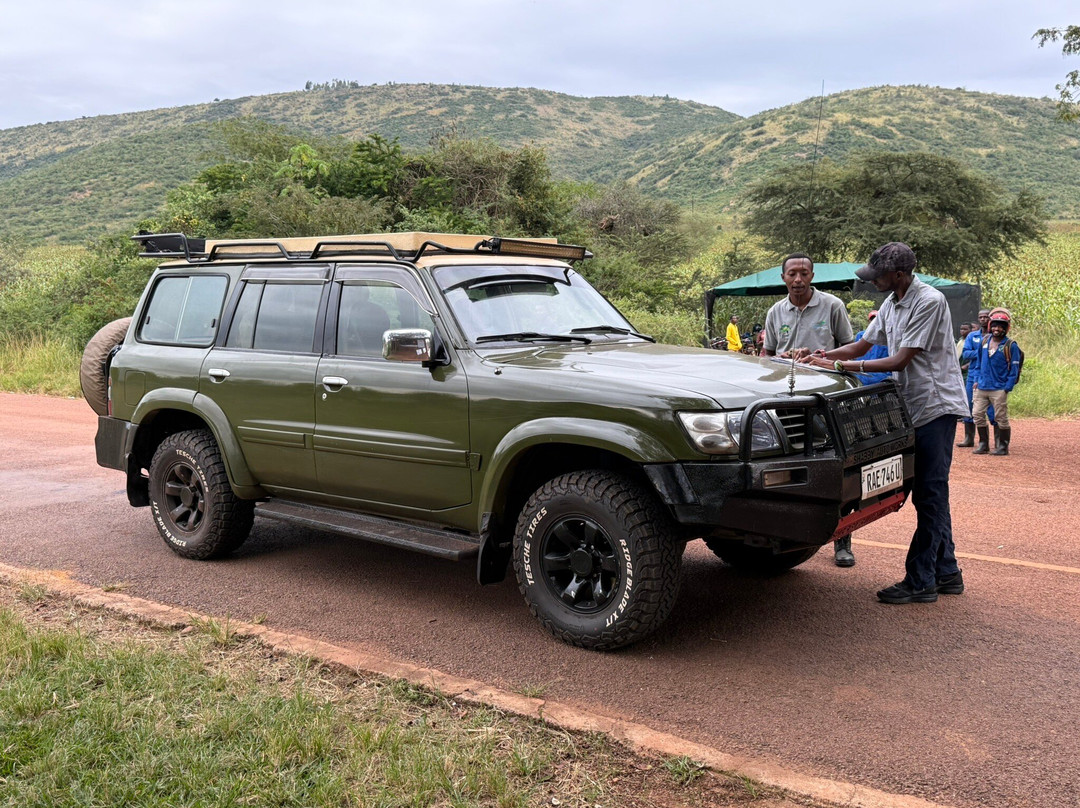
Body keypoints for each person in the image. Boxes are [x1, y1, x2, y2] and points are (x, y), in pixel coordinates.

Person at [800, 242, 969, 604]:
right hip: (913, 406)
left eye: (878, 275)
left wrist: (841, 367)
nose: (872, 281)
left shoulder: (929, 301)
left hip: (935, 406)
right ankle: (947, 571)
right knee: (931, 492)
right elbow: (861, 346)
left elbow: (900, 361)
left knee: (930, 494)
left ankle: (921, 580)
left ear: (899, 274)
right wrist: (820, 356)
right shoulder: (892, 303)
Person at [764, 252, 857, 566]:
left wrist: (822, 355)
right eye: (792, 274)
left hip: (825, 403)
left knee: (836, 466)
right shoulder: (776, 312)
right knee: (791, 469)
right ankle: (788, 535)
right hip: (787, 403)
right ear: (783, 278)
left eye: (804, 273)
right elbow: (766, 355)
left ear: (813, 276)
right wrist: (782, 357)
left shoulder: (832, 306)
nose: (798, 279)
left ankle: (843, 541)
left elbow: (849, 348)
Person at [970, 308, 1021, 456]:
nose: (996, 329)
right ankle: (983, 444)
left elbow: (1014, 369)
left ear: (1006, 328)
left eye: (1000, 326)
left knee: (1000, 418)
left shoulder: (1011, 346)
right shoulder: (985, 341)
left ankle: (1003, 447)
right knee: (977, 414)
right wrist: (976, 380)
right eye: (994, 325)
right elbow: (979, 362)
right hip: (982, 386)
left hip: (999, 388)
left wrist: (1007, 387)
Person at [957, 310, 993, 446]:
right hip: (973, 374)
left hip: (989, 375)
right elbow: (966, 354)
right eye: (981, 317)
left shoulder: (995, 336)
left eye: (986, 316)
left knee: (991, 409)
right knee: (969, 405)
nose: (983, 319)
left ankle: (993, 441)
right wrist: (982, 350)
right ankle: (969, 438)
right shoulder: (972, 336)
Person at [853, 310, 891, 385]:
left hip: (878, 376)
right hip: (861, 374)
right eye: (872, 319)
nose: (874, 321)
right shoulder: (860, 335)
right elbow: (854, 353)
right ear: (869, 321)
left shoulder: (887, 337)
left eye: (876, 319)